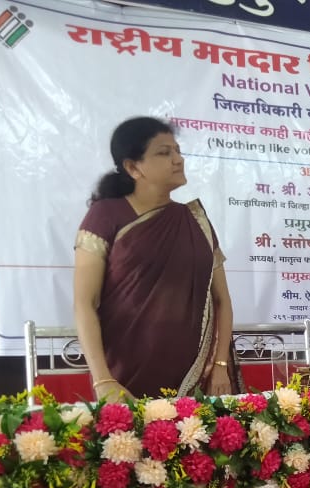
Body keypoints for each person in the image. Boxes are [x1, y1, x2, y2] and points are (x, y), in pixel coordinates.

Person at [74, 117, 238, 400]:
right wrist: (103, 379)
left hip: (199, 377)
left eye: (178, 151)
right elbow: (84, 303)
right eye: (164, 153)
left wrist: (220, 366)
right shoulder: (106, 215)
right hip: (123, 377)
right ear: (133, 167)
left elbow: (222, 300)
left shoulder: (195, 221)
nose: (178, 159)